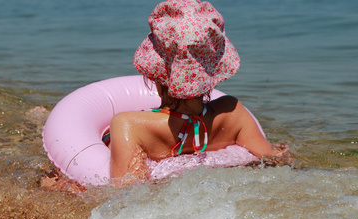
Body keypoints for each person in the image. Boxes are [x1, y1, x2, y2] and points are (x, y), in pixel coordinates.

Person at [109, 0, 288, 185]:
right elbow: (276, 158)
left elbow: (124, 194)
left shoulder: (130, 125)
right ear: (212, 69)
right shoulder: (233, 113)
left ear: (156, 71)